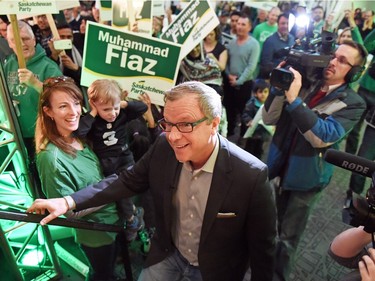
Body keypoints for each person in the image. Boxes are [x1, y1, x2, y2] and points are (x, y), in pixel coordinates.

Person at [27, 81, 277, 281]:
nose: (174, 136)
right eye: (167, 124)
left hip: (214, 271)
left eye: (186, 125)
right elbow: (125, 180)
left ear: (213, 124)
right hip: (167, 256)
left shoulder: (251, 175)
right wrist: (68, 201)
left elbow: (263, 251)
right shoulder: (163, 146)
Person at [262, 41, 368, 280]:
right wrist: (278, 89)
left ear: (354, 72)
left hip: (307, 177)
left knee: (288, 238)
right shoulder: (306, 82)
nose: (333, 61)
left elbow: (322, 137)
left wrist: (295, 100)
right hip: (279, 165)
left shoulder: (353, 103)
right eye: (333, 55)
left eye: (342, 60)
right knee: (271, 227)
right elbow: (269, 118)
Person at [34, 76, 120, 280]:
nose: (74, 112)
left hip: (114, 223)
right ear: (48, 112)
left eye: (76, 103)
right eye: (63, 106)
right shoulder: (50, 158)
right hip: (95, 233)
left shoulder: (79, 136)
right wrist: (113, 191)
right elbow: (68, 214)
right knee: (103, 275)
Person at [75, 79, 147, 241]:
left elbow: (142, 108)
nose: (112, 113)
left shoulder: (121, 112)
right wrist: (93, 113)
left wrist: (123, 104)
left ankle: (131, 221)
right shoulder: (92, 120)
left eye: (114, 108)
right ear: (93, 104)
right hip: (107, 163)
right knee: (118, 194)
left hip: (125, 157)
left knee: (123, 191)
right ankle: (134, 214)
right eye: (106, 109)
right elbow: (79, 132)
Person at [4, 20, 62, 158]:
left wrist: (36, 83)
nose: (22, 44)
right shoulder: (8, 65)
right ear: (9, 43)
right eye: (16, 40)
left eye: (25, 39)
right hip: (15, 135)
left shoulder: (49, 67)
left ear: (34, 40)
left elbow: (62, 99)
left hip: (43, 136)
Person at [224, 14, 260, 138]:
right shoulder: (232, 42)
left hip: (244, 84)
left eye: (243, 24)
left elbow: (251, 67)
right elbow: (226, 62)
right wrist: (229, 76)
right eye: (238, 23)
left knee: (244, 112)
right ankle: (229, 134)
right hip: (230, 83)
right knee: (229, 110)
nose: (239, 26)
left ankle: (242, 139)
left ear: (249, 27)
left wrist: (239, 81)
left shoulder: (254, 44)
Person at [241, 79, 272, 160]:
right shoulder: (251, 104)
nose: (263, 95)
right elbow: (245, 114)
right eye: (260, 92)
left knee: (259, 150)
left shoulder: (269, 104)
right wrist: (248, 120)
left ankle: (257, 164)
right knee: (249, 149)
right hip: (253, 133)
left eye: (265, 92)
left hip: (263, 133)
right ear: (255, 93)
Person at [259, 13, 295, 79]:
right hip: (273, 78)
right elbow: (265, 64)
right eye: (283, 23)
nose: (286, 26)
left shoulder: (292, 39)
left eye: (288, 23)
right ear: (278, 24)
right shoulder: (270, 41)